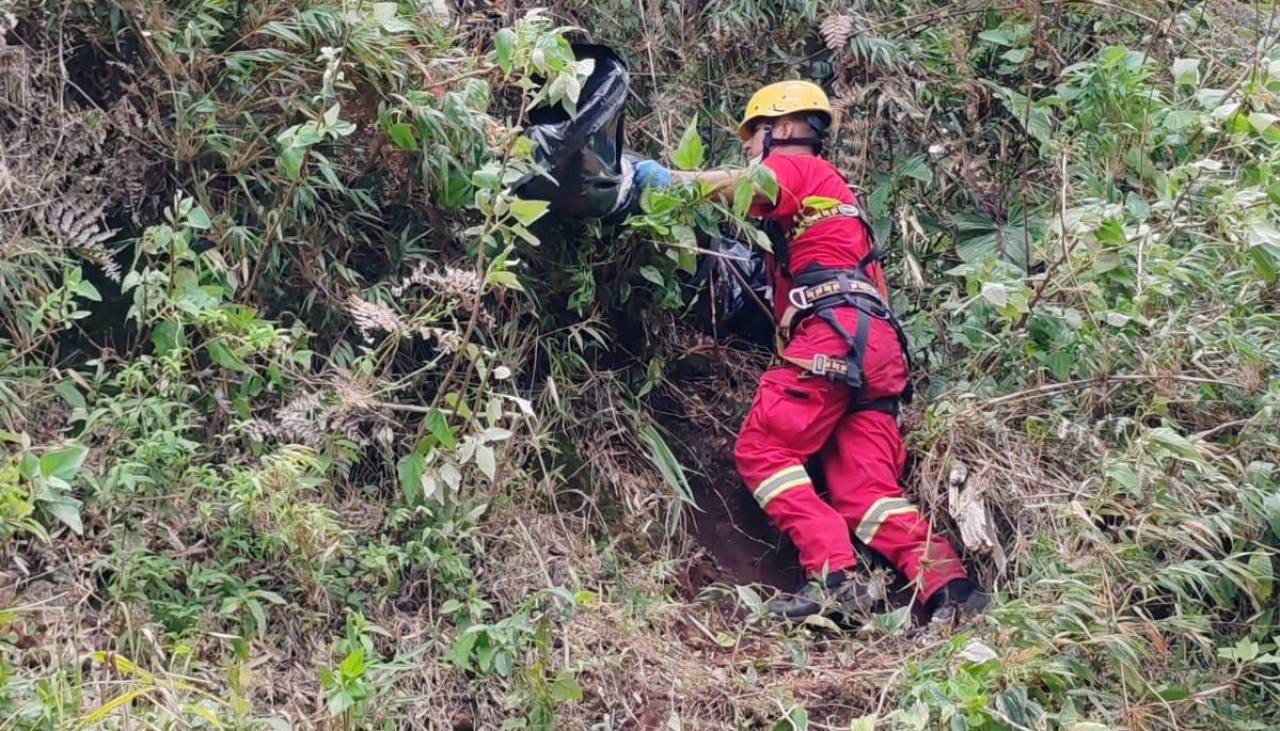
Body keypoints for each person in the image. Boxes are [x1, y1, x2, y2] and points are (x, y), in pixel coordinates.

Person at [632, 81, 988, 624]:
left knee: (764, 450)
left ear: (783, 128)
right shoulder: (838, 208)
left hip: (832, 334)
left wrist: (662, 181)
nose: (749, 147)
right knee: (866, 493)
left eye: (753, 136)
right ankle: (953, 589)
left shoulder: (801, 171)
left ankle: (834, 578)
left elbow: (744, 186)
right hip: (877, 353)